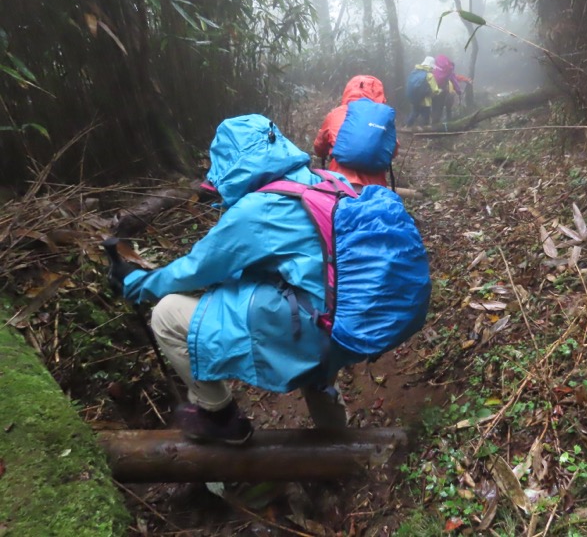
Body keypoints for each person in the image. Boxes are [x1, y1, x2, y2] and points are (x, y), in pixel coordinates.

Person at [108, 114, 362, 445]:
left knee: (167, 314)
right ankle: (338, 445)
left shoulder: (259, 210)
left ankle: (220, 415)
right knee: (315, 361)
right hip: (346, 318)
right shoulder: (325, 180)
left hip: (312, 327)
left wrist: (138, 283)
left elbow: (198, 268)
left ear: (232, 161)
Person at [314, 75, 396, 190]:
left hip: (340, 182)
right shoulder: (382, 117)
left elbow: (319, 146)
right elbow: (393, 149)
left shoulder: (336, 113)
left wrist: (323, 152)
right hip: (375, 186)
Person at [405, 56, 440, 127]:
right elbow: (435, 90)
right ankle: (425, 132)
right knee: (426, 117)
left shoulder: (414, 72)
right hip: (425, 101)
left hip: (415, 99)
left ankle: (406, 127)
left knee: (414, 113)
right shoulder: (429, 75)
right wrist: (440, 91)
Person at [431, 54, 463, 124]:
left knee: (434, 106)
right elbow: (455, 81)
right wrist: (459, 91)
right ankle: (436, 125)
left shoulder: (435, 67)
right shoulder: (449, 71)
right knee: (439, 107)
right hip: (442, 91)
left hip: (432, 90)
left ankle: (432, 122)